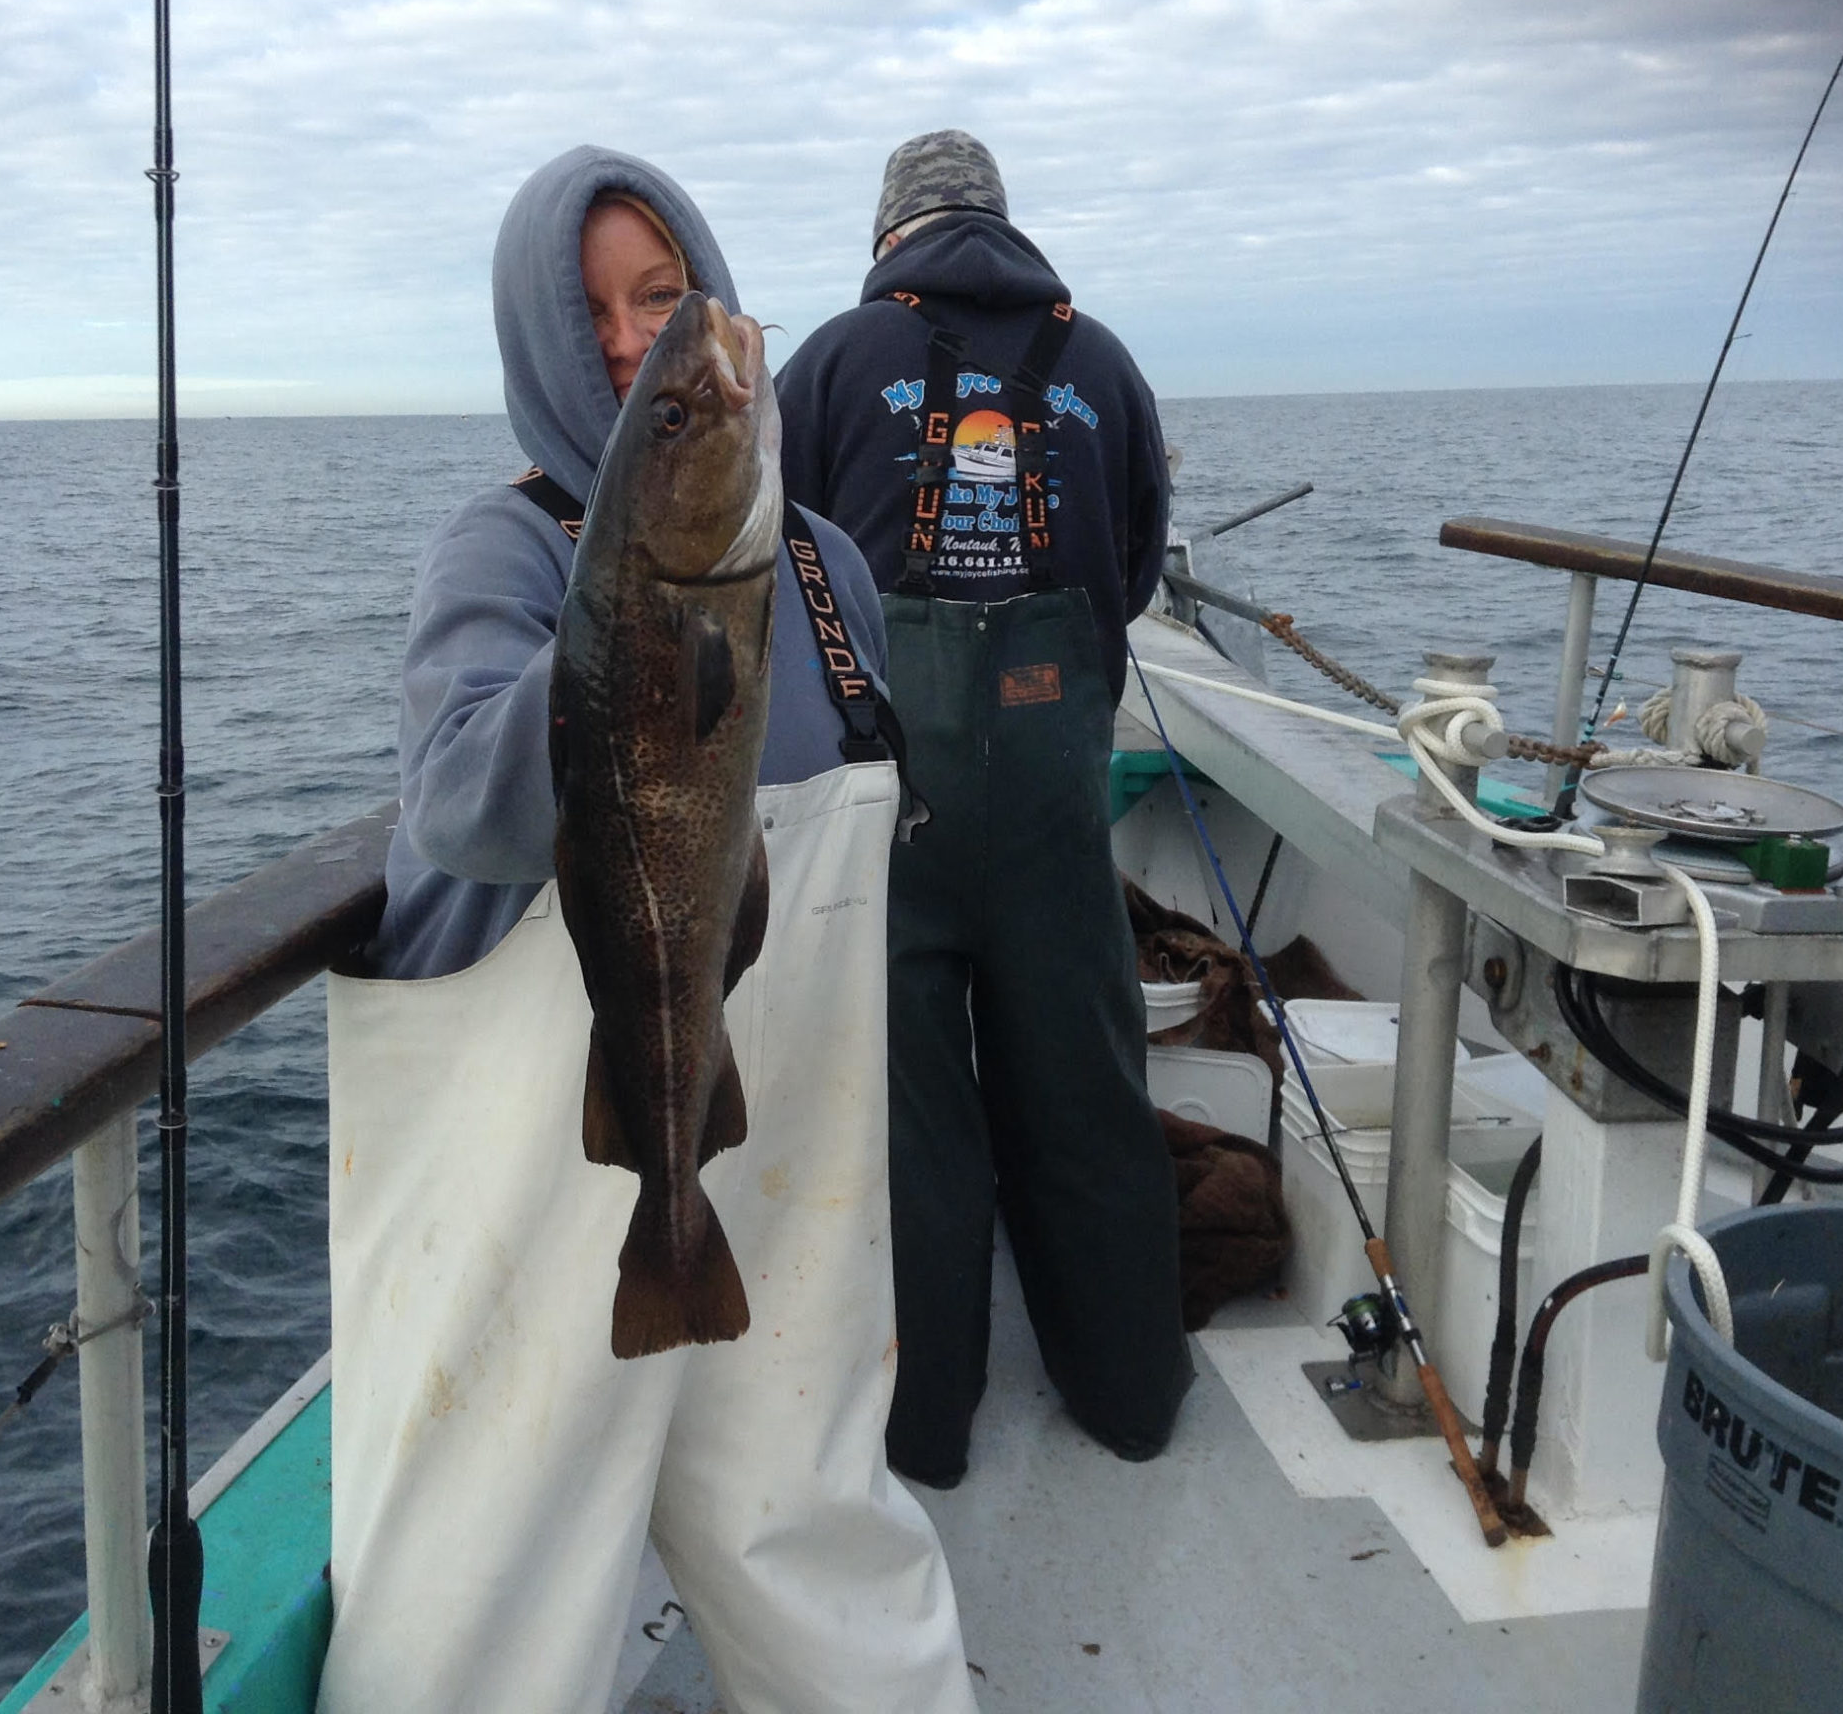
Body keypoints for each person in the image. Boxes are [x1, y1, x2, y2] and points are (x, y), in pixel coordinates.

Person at [318, 145, 976, 1714]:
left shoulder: (820, 575)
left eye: (663, 300)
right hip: (534, 1150)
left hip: (787, 1140)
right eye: (593, 311)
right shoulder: (510, 552)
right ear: (535, 337)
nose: (631, 345)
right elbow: (460, 806)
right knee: (496, 1570)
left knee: (807, 1515)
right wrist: (623, 636)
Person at [775, 129, 1192, 1489]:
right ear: (1002, 226)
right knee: (1082, 1085)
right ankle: (1130, 1393)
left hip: (886, 803)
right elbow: (1128, 576)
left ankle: (925, 1426)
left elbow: (771, 568)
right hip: (1053, 791)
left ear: (890, 233)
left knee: (908, 1111)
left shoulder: (833, 362)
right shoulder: (1107, 365)